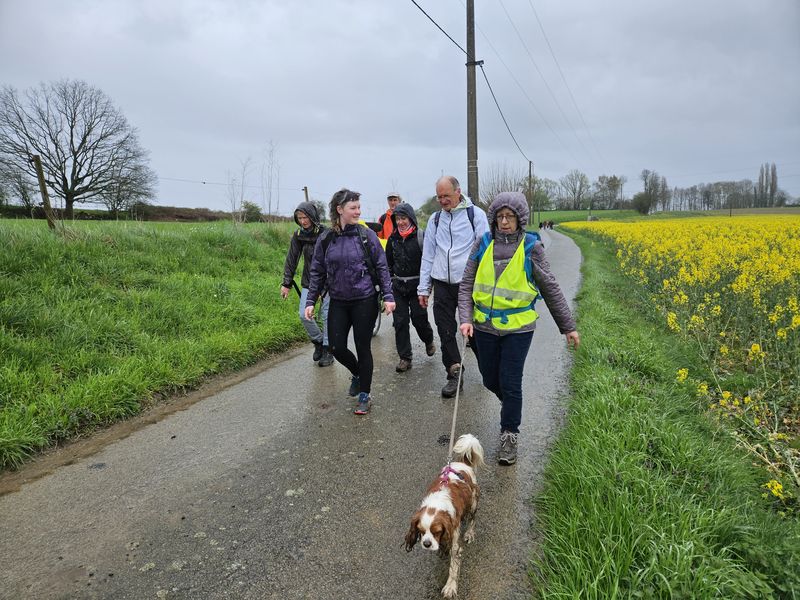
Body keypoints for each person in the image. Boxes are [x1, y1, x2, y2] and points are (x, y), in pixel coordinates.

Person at [457, 192, 580, 465]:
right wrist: (465, 318)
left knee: (511, 382)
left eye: (509, 217)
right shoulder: (483, 243)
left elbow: (551, 288)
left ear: (520, 219)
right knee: (490, 379)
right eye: (499, 216)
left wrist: (567, 327)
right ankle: (511, 406)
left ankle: (509, 434)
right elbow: (466, 285)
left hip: (519, 329)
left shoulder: (531, 248)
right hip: (484, 326)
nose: (504, 222)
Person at [305, 188, 396, 415]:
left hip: (364, 299)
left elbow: (382, 267)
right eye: (353, 208)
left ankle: (365, 394)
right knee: (335, 347)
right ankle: (358, 373)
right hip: (338, 300)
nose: (358, 211)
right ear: (339, 210)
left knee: (363, 347)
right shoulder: (326, 239)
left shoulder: (366, 236)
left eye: (358, 207)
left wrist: (388, 296)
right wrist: (310, 300)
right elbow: (316, 270)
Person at [418, 175, 489, 398]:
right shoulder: (435, 220)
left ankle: (488, 368)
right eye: (439, 197)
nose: (442, 201)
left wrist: (484, 284)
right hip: (441, 283)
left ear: (458, 192)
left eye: (446, 196)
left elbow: (485, 251)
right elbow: (428, 254)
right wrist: (423, 287)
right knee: (445, 329)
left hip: (468, 283)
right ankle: (454, 372)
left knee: (474, 330)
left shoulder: (475, 215)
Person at [385, 202, 436, 373]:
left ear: (411, 218)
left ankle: (428, 339)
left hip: (418, 286)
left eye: (403, 218)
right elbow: (388, 264)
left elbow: (429, 263)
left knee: (419, 318)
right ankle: (405, 358)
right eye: (397, 219)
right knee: (400, 322)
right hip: (398, 286)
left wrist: (427, 287)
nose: (400, 222)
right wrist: (389, 284)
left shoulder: (421, 237)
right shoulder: (392, 240)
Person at [281, 201, 334, 367]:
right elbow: (292, 259)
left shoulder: (326, 233)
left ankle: (328, 349)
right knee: (304, 315)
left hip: (328, 282)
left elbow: (333, 259)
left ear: (312, 217)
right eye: (299, 218)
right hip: (309, 282)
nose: (303, 221)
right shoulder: (298, 235)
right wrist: (286, 283)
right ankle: (318, 341)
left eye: (305, 217)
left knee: (326, 315)